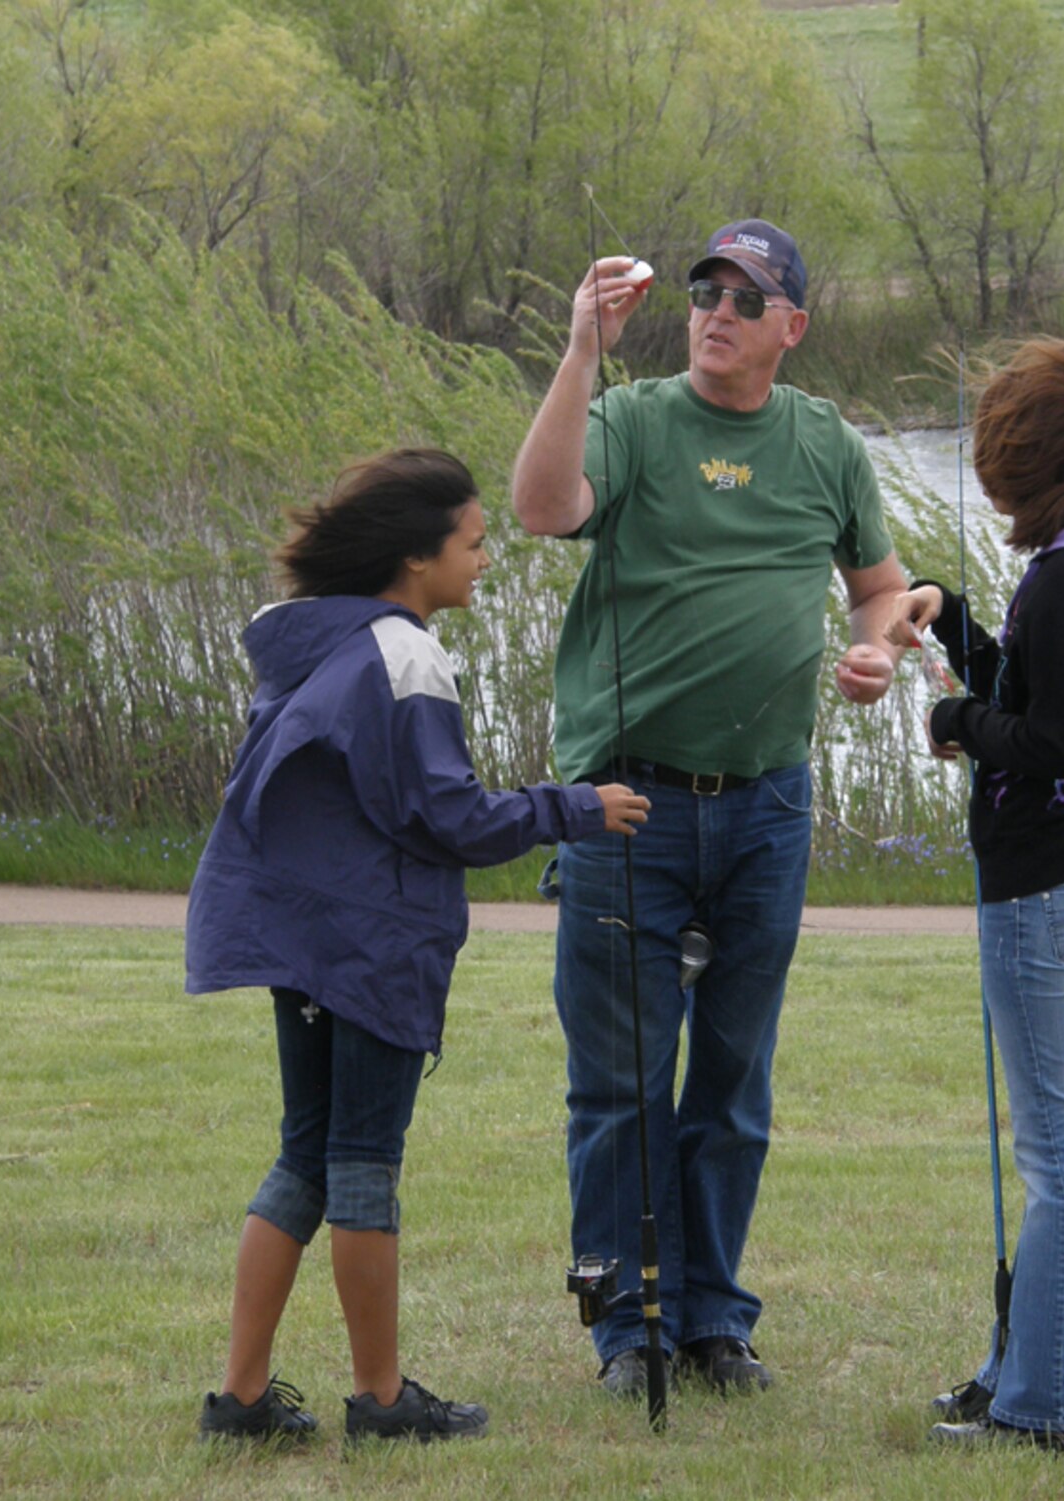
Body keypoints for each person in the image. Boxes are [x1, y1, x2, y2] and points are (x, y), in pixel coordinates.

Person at [511, 219, 906, 1398]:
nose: (717, 311)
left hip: (770, 805)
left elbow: (879, 588)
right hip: (629, 804)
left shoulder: (824, 441)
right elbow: (539, 508)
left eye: (747, 296)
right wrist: (582, 351)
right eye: (704, 292)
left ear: (791, 325)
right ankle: (627, 1326)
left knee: (731, 1077)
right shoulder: (630, 420)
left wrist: (873, 647)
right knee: (622, 1081)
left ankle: (712, 1320)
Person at [185, 448, 649, 1444]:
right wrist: (577, 805)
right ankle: (383, 1399)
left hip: (304, 941)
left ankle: (242, 1396)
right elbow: (450, 818)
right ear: (414, 559)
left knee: (302, 1159)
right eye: (473, 544)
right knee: (360, 1164)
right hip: (369, 947)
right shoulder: (402, 652)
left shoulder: (318, 643)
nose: (486, 561)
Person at [884, 339, 1064, 1451]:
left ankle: (1048, 1402)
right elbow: (1044, 687)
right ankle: (1018, 1367)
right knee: (1056, 1146)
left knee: (1056, 1157)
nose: (985, 471)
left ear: (1020, 461)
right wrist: (952, 615)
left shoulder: (1062, 578)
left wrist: (954, 720)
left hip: (1042, 890)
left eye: (993, 452)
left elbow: (1050, 738)